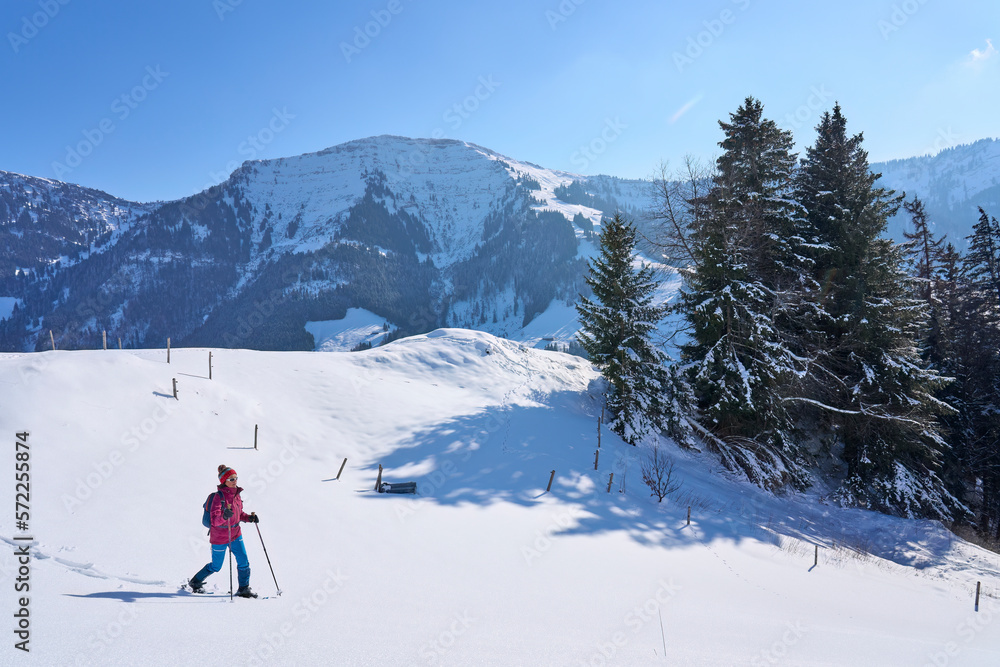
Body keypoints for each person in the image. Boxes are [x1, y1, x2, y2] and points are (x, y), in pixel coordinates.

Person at [189, 465, 259, 598]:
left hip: (236, 534)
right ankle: (195, 582)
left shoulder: (237, 495)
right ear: (224, 481)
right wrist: (224, 516)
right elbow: (215, 520)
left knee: (243, 561)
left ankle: (244, 589)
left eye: (236, 478)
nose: (235, 481)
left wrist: (249, 518)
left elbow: (238, 514)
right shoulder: (218, 497)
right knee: (216, 566)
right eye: (231, 479)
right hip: (220, 537)